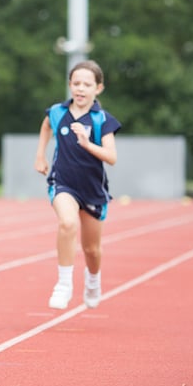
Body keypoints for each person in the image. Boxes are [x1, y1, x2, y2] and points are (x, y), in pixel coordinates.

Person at [34, 59, 121, 310]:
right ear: (70, 85)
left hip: (93, 190)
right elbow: (46, 125)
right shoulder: (58, 112)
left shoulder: (102, 119)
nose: (81, 89)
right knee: (67, 223)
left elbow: (112, 157)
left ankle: (93, 281)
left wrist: (87, 144)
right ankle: (63, 284)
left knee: (92, 250)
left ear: (99, 88)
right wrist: (40, 155)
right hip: (63, 183)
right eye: (76, 83)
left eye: (87, 84)